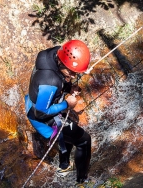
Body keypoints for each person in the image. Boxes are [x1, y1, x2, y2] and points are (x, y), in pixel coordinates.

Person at [25, 40, 92, 186]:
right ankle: (82, 180)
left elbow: (60, 79)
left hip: (34, 102)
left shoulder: (53, 54)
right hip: (41, 118)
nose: (74, 76)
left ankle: (64, 166)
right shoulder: (49, 80)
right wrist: (66, 104)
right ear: (62, 62)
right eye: (72, 72)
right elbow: (41, 113)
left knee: (69, 133)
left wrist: (69, 87)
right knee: (84, 140)